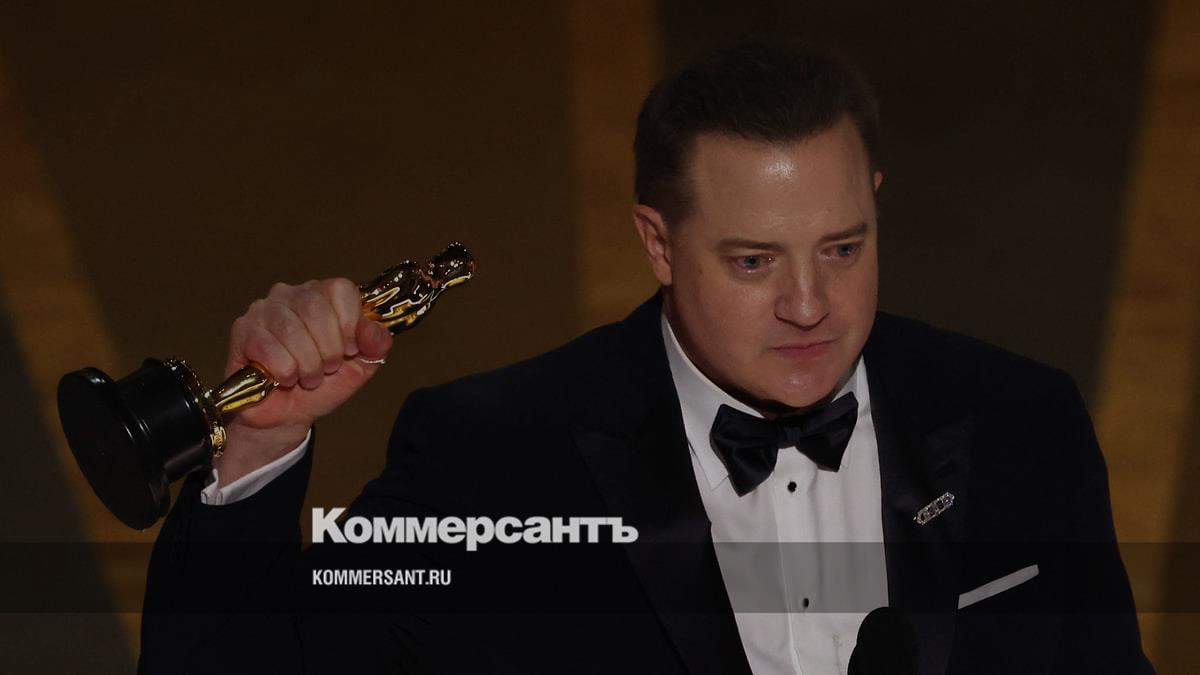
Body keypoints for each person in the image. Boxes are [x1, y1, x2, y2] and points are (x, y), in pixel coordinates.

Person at [139, 42, 1153, 674]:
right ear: (659, 243)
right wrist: (258, 449)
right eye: (753, 260)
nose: (810, 305)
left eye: (843, 248)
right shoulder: (492, 461)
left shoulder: (1025, 424)